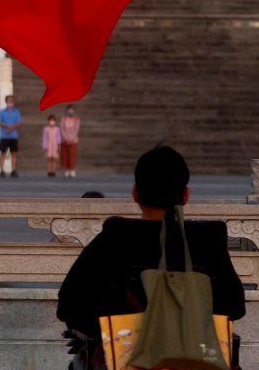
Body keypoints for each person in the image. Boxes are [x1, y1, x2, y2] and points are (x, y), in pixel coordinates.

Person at [57, 146, 245, 355]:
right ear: (185, 196)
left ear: (135, 192)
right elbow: (235, 307)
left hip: (124, 357)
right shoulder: (207, 240)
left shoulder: (115, 237)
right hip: (193, 359)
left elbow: (67, 305)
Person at [0, 95, 21, 177]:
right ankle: (2, 170)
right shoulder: (2, 112)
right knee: (3, 153)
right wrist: (7, 126)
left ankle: (13, 170)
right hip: (4, 136)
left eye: (12, 101)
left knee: (14, 153)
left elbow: (19, 122)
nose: (10, 102)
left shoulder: (16, 112)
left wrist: (11, 127)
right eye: (9, 101)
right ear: (6, 101)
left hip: (13, 136)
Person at [59, 105, 81, 178]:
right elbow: (62, 129)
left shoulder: (76, 119)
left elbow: (76, 130)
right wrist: (66, 138)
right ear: (67, 110)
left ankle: (72, 169)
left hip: (73, 140)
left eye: (72, 110)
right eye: (69, 110)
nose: (70, 111)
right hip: (64, 140)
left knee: (72, 155)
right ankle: (66, 170)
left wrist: (71, 138)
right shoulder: (63, 119)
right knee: (65, 155)